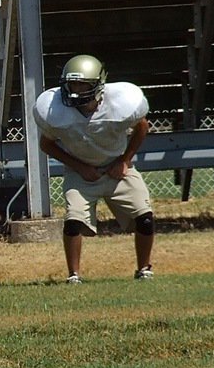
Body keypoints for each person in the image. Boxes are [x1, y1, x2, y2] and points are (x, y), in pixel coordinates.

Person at [32, 54, 156, 283]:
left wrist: (125, 160)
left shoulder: (120, 103)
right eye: (72, 84)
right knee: (73, 222)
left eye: (83, 84)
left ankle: (144, 269)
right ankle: (74, 275)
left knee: (145, 218)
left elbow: (142, 127)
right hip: (81, 173)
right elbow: (46, 144)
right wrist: (79, 167)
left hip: (116, 168)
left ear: (99, 85)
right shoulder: (55, 110)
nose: (76, 90)